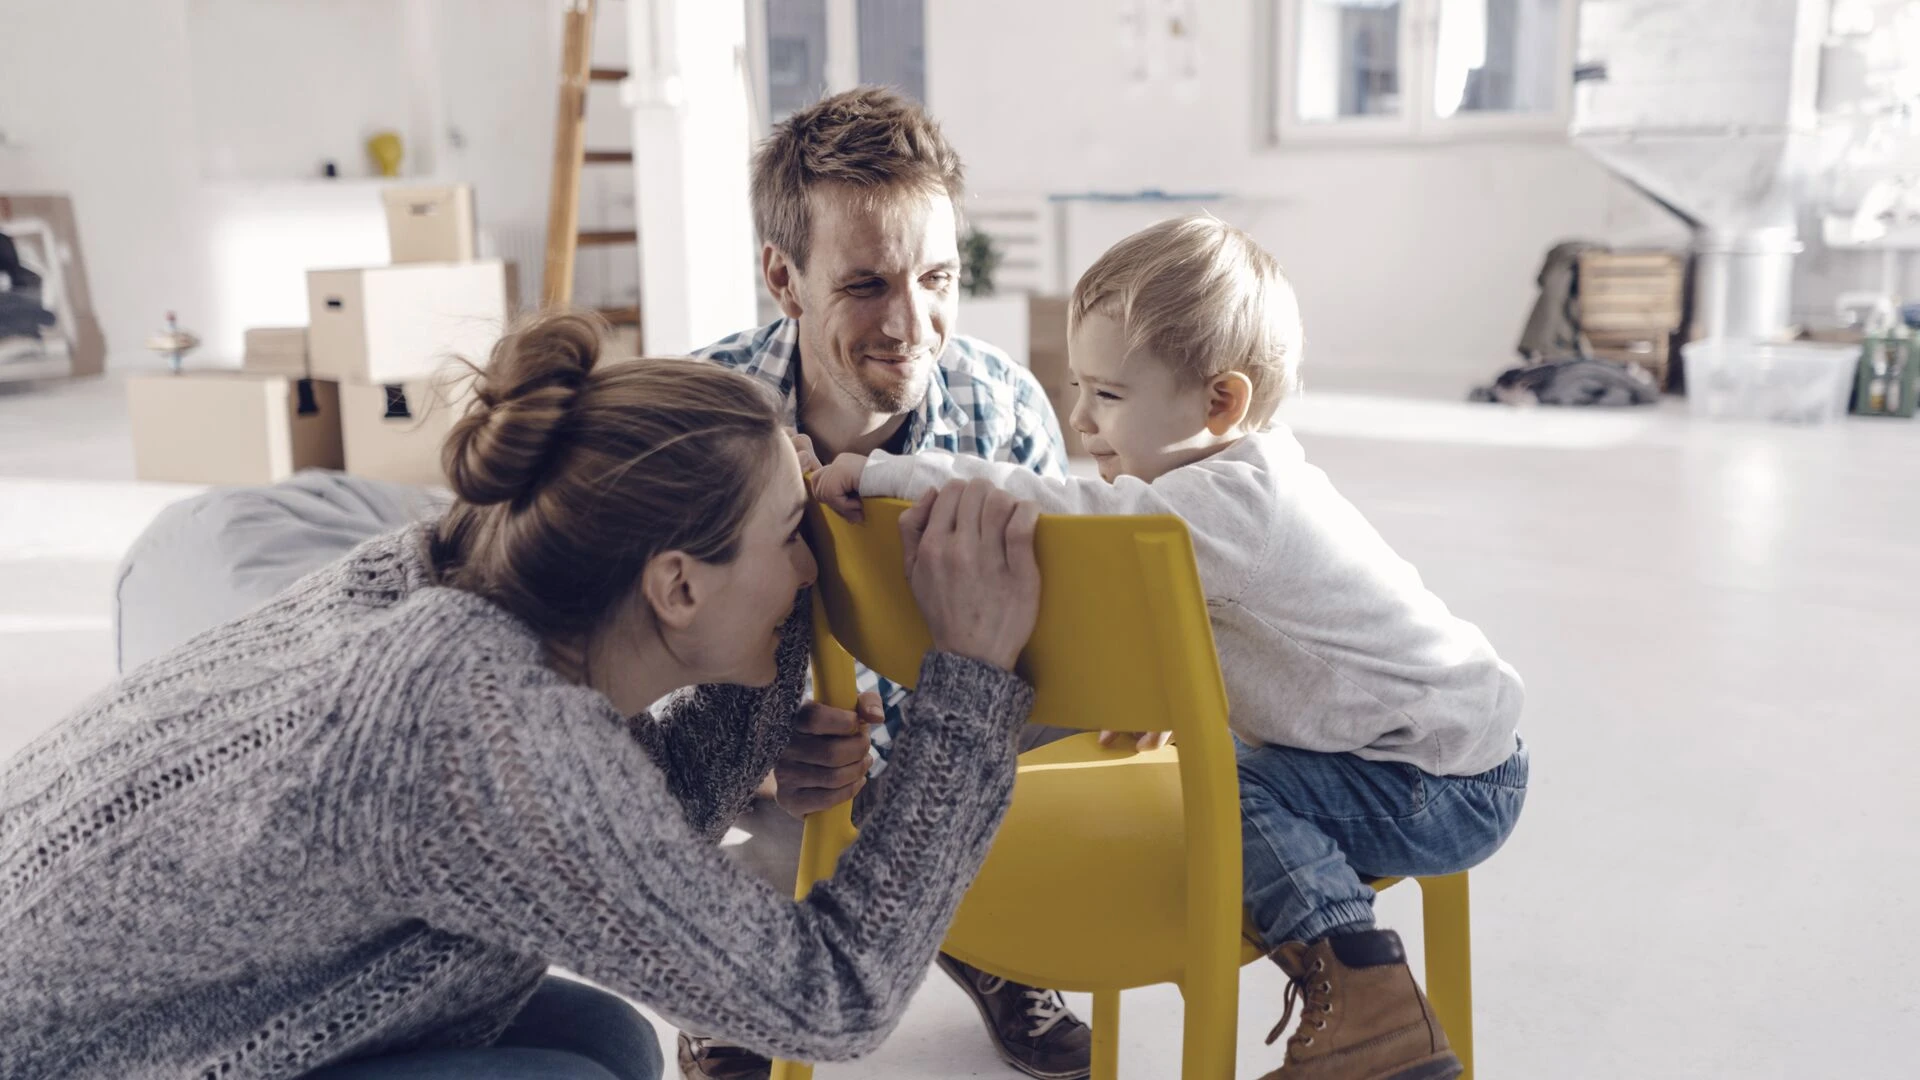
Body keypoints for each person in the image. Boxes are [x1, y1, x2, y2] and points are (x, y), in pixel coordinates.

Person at [0, 312, 1047, 1080]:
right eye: (792, 539)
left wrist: (776, 642)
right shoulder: (470, 724)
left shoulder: (456, 576)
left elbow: (628, 824)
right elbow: (833, 998)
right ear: (677, 584)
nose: (813, 568)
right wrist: (970, 681)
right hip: (66, 1055)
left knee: (611, 1041)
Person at [813, 216, 1531, 1080]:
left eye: (1107, 396)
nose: (1079, 419)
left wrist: (893, 472)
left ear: (1221, 403)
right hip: (1384, 751)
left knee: (1226, 793)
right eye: (1078, 388)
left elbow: (1066, 517)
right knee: (1218, 767)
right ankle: (1362, 989)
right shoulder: (1198, 496)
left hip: (1445, 782)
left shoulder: (1235, 504)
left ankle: (1369, 1002)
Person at [684, 86, 1090, 1080]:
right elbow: (626, 647)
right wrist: (753, 748)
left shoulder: (1006, 408)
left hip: (966, 746)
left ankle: (989, 942)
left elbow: (1061, 636)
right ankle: (723, 992)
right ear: (784, 278)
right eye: (866, 285)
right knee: (718, 808)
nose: (913, 323)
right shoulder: (700, 418)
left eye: (938, 277)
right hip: (792, 770)